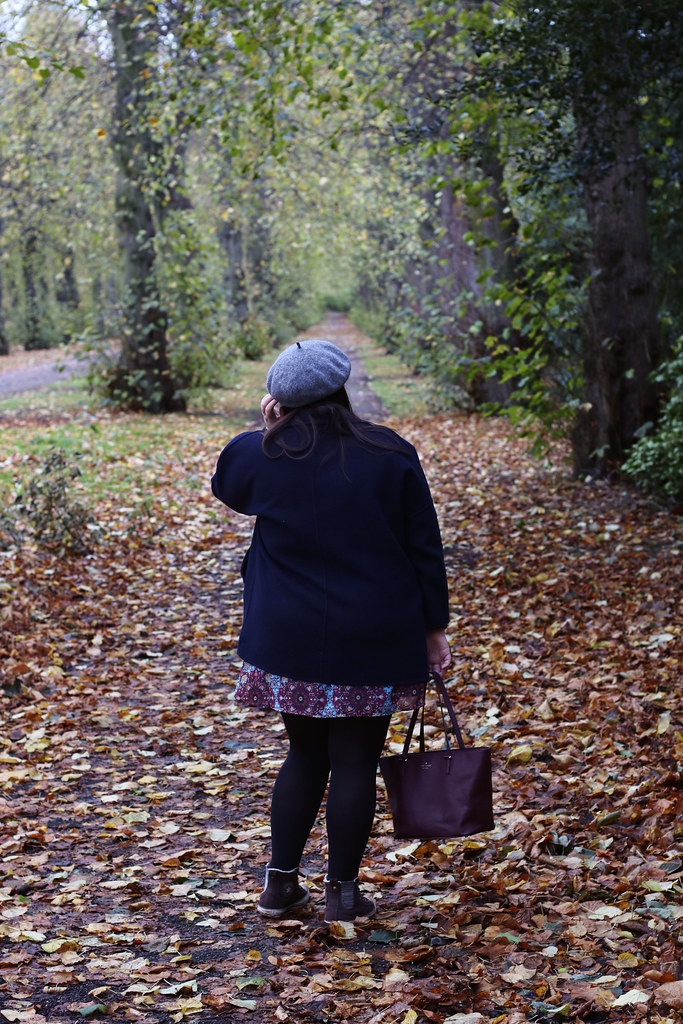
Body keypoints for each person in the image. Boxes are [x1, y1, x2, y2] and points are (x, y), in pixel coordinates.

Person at [211, 338, 450, 923]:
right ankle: (342, 893)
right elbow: (425, 548)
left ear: (282, 400)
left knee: (304, 756)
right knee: (356, 762)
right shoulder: (391, 454)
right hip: (374, 635)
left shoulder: (264, 455)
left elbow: (226, 481)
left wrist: (268, 427)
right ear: (341, 387)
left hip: (290, 639)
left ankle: (279, 887)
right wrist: (434, 628)